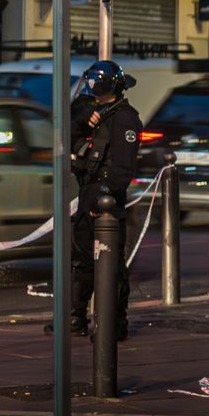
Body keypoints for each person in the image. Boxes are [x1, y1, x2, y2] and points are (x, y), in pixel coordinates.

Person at [47, 61, 142, 338]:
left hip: (106, 202)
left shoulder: (124, 119)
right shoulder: (94, 112)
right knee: (82, 260)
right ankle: (75, 318)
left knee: (110, 264)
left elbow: (123, 169)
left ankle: (114, 325)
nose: (90, 87)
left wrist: (105, 200)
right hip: (88, 193)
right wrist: (83, 118)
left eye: (95, 83)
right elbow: (69, 135)